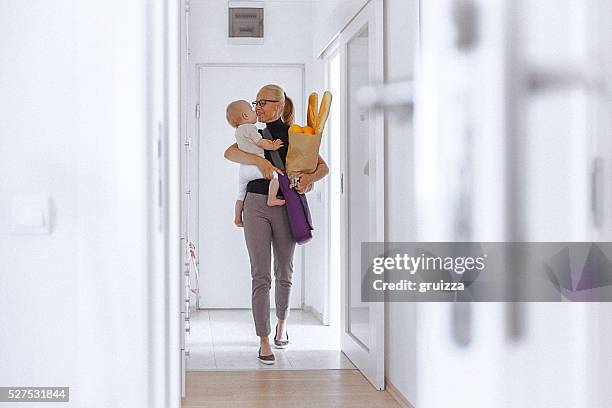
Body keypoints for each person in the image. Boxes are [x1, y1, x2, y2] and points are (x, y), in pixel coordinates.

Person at [223, 84, 329, 364]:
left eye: (263, 102)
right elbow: (230, 153)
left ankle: (282, 325)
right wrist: (259, 160)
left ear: (279, 106)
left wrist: (308, 180)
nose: (257, 107)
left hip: (286, 206)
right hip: (255, 204)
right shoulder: (252, 133)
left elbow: (323, 168)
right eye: (255, 102)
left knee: (284, 270)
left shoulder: (295, 134)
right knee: (260, 274)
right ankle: (264, 340)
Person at [225, 99, 286, 228]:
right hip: (255, 168)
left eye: (262, 103)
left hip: (244, 169)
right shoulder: (250, 128)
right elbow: (260, 142)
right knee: (276, 176)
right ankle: (272, 198)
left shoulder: (239, 131)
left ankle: (237, 217)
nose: (255, 110)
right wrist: (273, 146)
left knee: (240, 193)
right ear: (245, 116)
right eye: (252, 109)